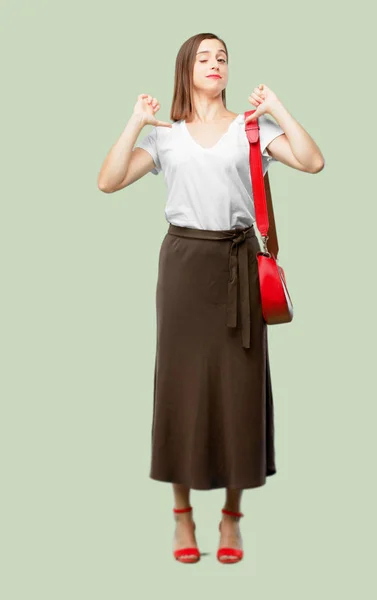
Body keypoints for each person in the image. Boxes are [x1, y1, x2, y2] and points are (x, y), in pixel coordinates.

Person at [98, 32, 325, 565]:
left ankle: (231, 517)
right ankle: (181, 514)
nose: (215, 63)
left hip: (239, 265)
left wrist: (277, 107)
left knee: (238, 389)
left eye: (222, 57)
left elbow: (313, 162)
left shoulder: (251, 129)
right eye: (204, 56)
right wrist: (135, 119)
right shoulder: (166, 135)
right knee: (180, 386)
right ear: (185, 67)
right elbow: (107, 181)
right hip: (183, 268)